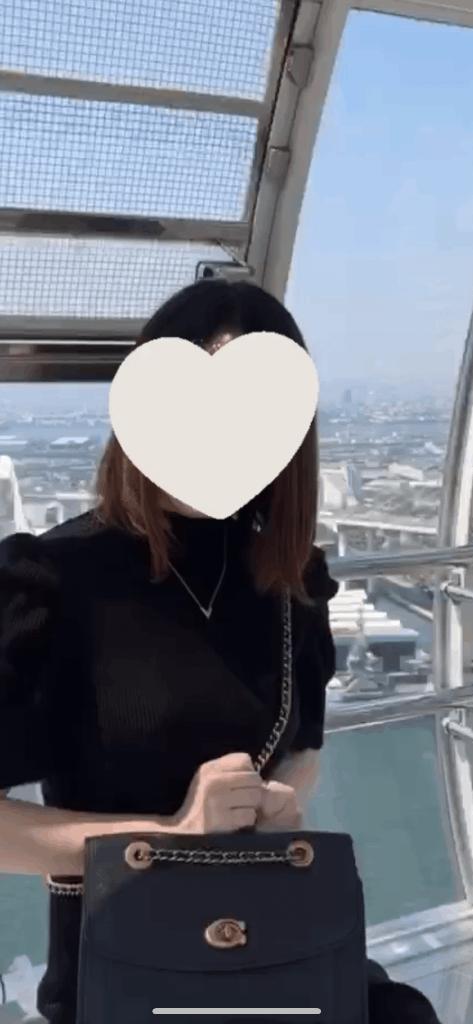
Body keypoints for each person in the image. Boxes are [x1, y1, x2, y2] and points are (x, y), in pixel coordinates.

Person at [0, 279, 440, 1023]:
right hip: (132, 956)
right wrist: (171, 838)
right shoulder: (52, 582)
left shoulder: (289, 575)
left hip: (274, 919)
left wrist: (277, 801)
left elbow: (303, 747)